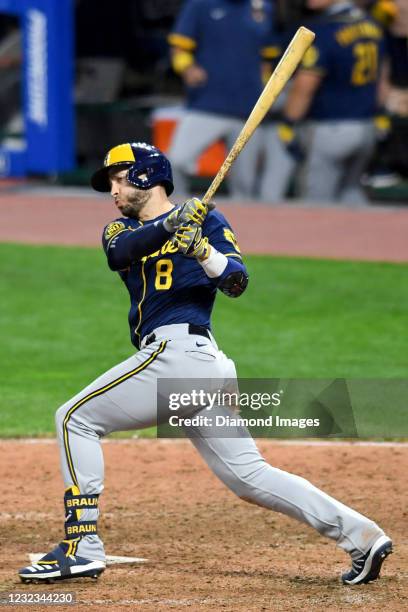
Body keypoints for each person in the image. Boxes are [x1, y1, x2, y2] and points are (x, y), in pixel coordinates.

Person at [18, 142, 392, 585]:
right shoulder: (120, 230)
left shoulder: (209, 222)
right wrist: (171, 225)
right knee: (248, 477)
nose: (113, 190)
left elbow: (235, 282)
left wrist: (200, 249)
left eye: (120, 178)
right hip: (195, 372)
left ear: (145, 176)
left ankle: (83, 547)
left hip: (182, 359)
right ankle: (362, 535)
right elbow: (121, 254)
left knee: (73, 418)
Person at [260, 0, 385, 203]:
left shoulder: (324, 29)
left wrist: (289, 123)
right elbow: (383, 76)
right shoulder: (372, 25)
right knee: (351, 192)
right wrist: (380, 113)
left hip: (330, 128)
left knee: (316, 202)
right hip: (366, 126)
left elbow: (306, 85)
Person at [167, 0, 278, 197]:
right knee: (176, 162)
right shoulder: (200, 5)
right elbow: (179, 47)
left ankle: (239, 225)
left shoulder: (262, 7)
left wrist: (266, 87)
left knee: (245, 183)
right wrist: (187, 68)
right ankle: (178, 216)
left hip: (248, 110)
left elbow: (267, 58)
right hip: (207, 103)